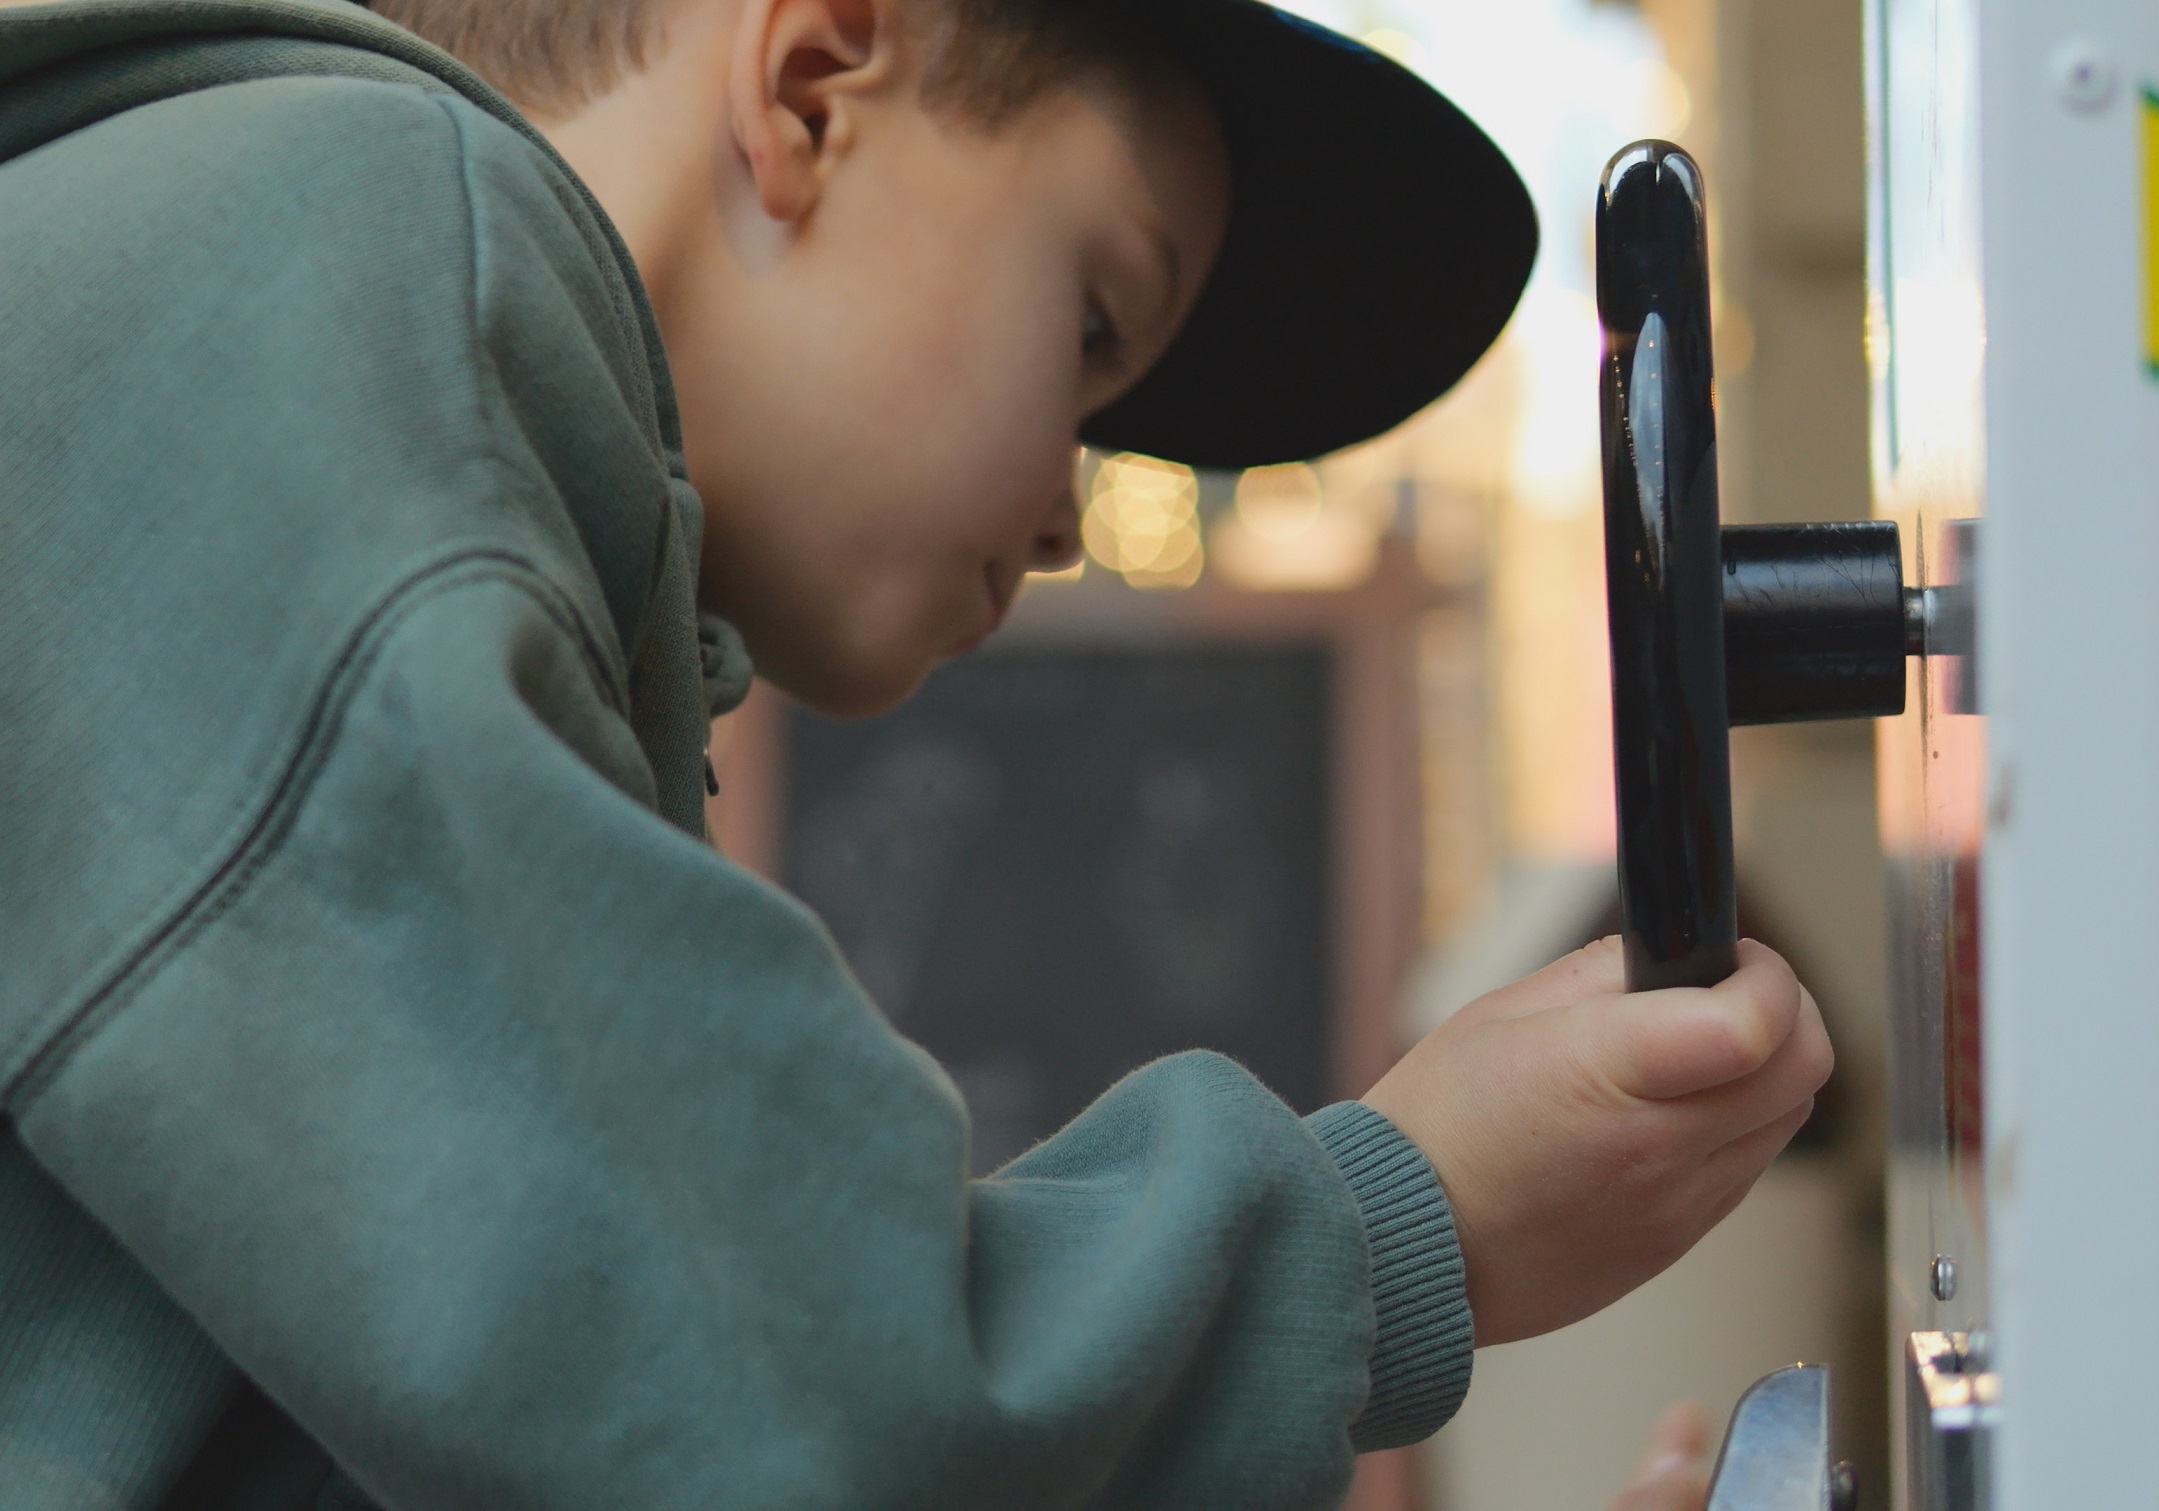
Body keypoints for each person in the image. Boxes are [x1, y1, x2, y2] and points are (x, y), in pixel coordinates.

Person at [0, 0, 1832, 1503]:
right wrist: (1398, 1216)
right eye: (1095, 321)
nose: (1062, 520)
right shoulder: (332, 247)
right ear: (809, 82)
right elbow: (754, 1415)